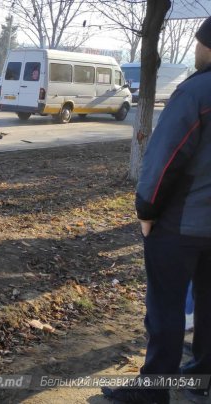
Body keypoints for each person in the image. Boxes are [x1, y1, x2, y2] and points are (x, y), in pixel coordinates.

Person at [102, 17, 211, 404]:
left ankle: (152, 393)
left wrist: (146, 209)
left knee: (165, 307)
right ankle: (202, 375)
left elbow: (165, 158)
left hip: (182, 224)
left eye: (199, 43)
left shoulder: (196, 92)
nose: (196, 51)